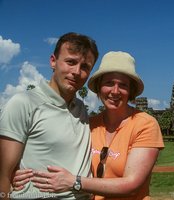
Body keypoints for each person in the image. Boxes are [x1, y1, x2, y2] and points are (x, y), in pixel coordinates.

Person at [13, 51, 165, 200]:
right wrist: (23, 173)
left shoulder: (144, 124)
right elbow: (58, 153)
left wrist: (74, 182)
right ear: (99, 87)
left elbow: (132, 185)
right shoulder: (88, 123)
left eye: (123, 85)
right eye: (109, 83)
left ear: (130, 90)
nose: (115, 91)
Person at [0, 32, 99, 199]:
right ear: (53, 61)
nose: (76, 71)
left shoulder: (81, 108)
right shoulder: (23, 103)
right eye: (70, 62)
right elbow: (3, 175)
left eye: (85, 67)